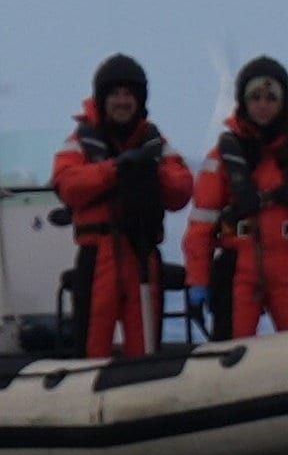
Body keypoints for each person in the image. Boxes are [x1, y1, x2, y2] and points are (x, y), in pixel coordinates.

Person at [185, 56, 288, 339]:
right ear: (243, 102)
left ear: (284, 102)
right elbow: (201, 226)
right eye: (255, 97)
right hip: (239, 267)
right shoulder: (221, 158)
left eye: (271, 97)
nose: (263, 105)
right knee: (230, 353)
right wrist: (198, 280)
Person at [51, 55, 193, 359]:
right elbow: (68, 185)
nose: (122, 101)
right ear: (102, 98)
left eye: (128, 94)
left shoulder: (155, 144)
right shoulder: (78, 143)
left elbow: (181, 191)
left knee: (146, 350)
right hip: (97, 254)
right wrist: (116, 169)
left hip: (141, 253)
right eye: (115, 94)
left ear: (140, 100)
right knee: (92, 349)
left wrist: (150, 172)